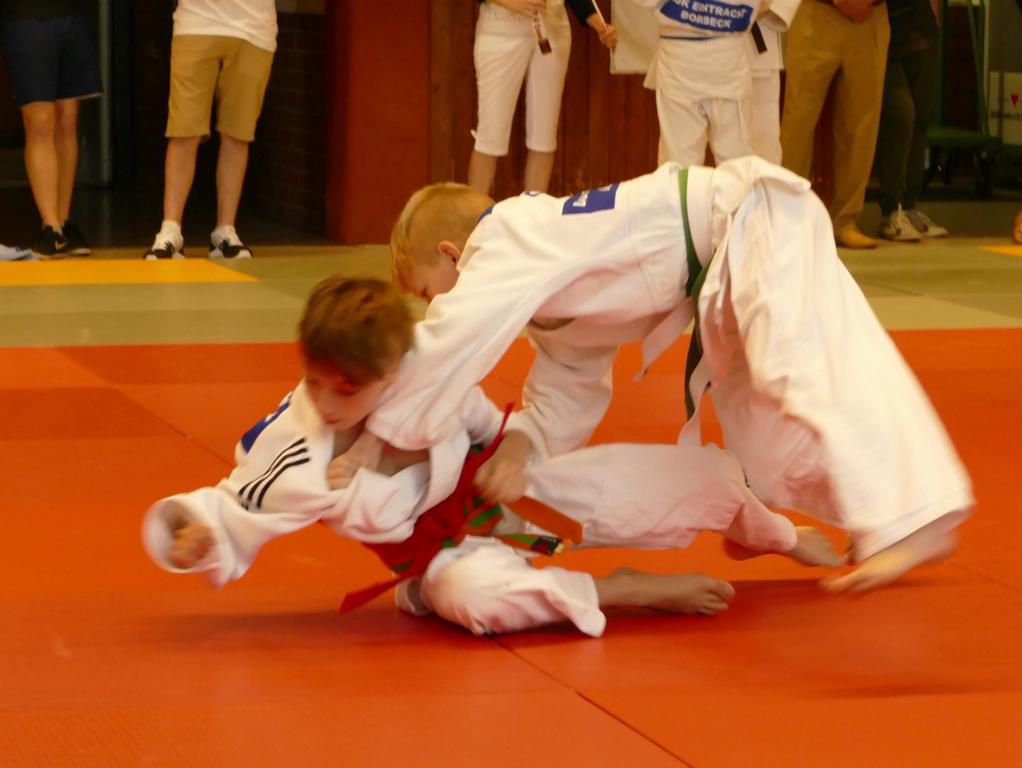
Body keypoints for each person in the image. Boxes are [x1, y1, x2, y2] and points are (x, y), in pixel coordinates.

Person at [348, 156, 974, 594]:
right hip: (726, 267)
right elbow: (561, 404)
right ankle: (872, 514)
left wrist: (372, 433)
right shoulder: (549, 297)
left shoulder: (506, 238)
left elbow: (451, 337)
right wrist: (514, 451)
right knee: (759, 422)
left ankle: (920, 518)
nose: (435, 306)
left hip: (753, 219)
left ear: (453, 255)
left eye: (428, 291)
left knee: (799, 367)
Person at [143, 276, 842, 637]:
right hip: (443, 560)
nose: (325, 401)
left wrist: (511, 452)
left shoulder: (429, 369)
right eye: (316, 381)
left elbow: (499, 424)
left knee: (694, 477)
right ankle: (619, 590)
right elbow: (229, 504)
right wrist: (191, 533)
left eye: (348, 389)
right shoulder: (293, 453)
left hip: (506, 497)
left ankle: (775, 536)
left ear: (394, 369)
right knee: (478, 599)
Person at [143, 0, 277, 261]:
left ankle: (225, 230)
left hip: (255, 27)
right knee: (184, 130)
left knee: (238, 133)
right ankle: (170, 229)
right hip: (196, 21)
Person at [469, 0, 617, 196]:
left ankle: (533, 212)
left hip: (553, 27)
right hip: (501, 27)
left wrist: (601, 26)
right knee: (490, 137)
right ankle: (474, 214)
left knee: (543, 137)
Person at [627, 0, 792, 168]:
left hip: (722, 55)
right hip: (697, 55)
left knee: (751, 157)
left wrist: (773, 10)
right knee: (730, 162)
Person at [780, 0, 890, 249]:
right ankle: (787, 217)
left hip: (871, 15)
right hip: (816, 10)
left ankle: (845, 220)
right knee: (798, 122)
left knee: (862, 125)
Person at [0, 0, 103, 258]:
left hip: (71, 15)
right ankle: (50, 224)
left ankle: (62, 222)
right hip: (25, 17)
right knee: (40, 121)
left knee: (68, 119)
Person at [875, 0, 946, 241]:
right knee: (901, 114)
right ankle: (890, 210)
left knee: (920, 119)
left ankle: (908, 206)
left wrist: (934, 20)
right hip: (880, 24)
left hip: (921, 24)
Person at [745, 1, 802, 164]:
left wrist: (769, 9)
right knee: (686, 149)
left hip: (755, 47)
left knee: (762, 153)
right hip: (689, 44)